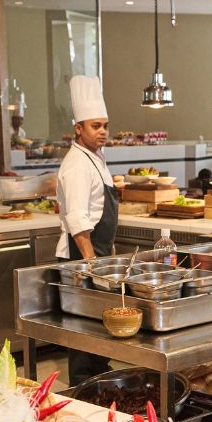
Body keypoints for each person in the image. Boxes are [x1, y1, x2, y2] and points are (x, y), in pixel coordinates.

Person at [55, 75, 117, 386]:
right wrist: (91, 263)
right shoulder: (77, 164)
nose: (103, 131)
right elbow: (77, 217)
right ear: (78, 128)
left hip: (96, 256)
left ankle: (100, 386)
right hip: (83, 260)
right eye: (95, 126)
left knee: (95, 327)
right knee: (82, 332)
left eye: (105, 125)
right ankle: (81, 390)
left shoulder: (95, 158)